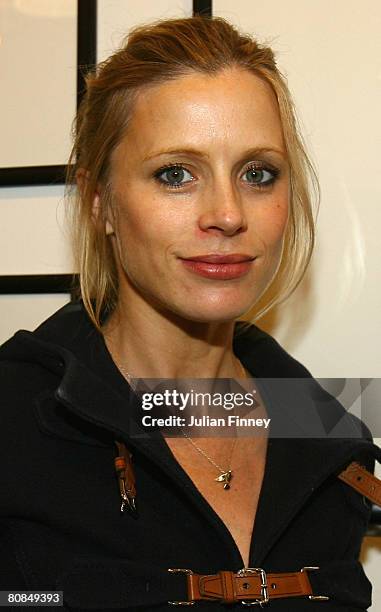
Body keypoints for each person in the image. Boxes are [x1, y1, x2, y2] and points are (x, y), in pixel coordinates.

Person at [0, 15, 380, 611]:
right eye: (175, 174)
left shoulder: (331, 436)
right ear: (100, 203)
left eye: (258, 174)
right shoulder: (14, 418)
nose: (228, 214)